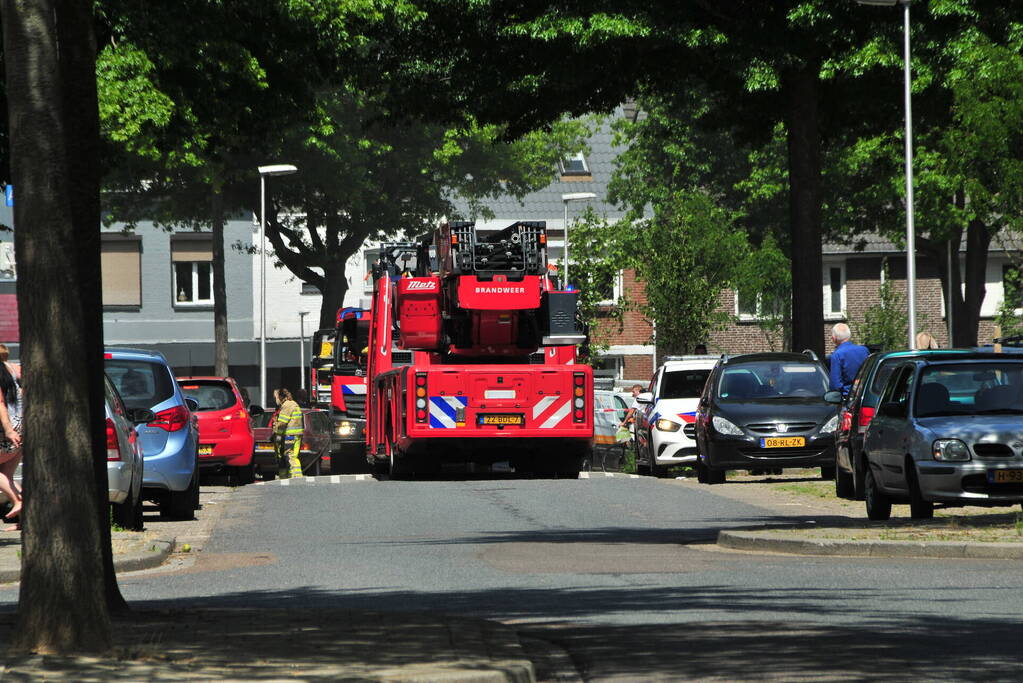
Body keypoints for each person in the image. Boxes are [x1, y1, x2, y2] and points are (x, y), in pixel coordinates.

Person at [0, 344, 22, 531]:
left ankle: (17, 501)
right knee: (6, 476)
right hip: (22, 428)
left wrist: (8, 430)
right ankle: (28, 514)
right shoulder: (16, 369)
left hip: (7, 432)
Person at [829, 323, 870, 397]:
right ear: (849, 335)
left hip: (848, 397)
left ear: (834, 338)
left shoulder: (837, 355)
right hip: (865, 395)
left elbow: (835, 385)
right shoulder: (864, 350)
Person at [273, 388, 304, 479]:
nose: (275, 400)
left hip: (290, 435)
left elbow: (282, 423)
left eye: (276, 397)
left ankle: (296, 476)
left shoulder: (287, 405)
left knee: (290, 455)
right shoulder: (293, 403)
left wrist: (275, 427)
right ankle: (288, 476)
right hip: (296, 434)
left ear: (281, 397)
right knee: (291, 455)